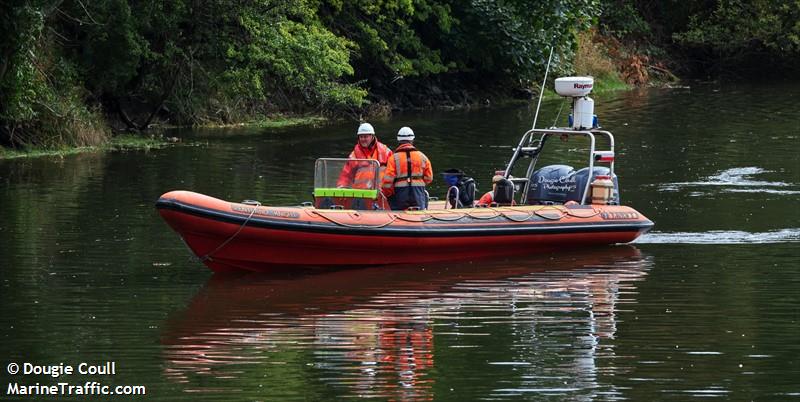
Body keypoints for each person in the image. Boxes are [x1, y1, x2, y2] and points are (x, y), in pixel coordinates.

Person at [335, 122, 393, 209]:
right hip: (360, 197)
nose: (363, 139)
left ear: (372, 136)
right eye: (361, 137)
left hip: (381, 196)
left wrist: (389, 190)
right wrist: (341, 188)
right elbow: (346, 175)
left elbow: (393, 171)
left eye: (366, 136)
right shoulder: (354, 155)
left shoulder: (385, 151)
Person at [381, 127, 433, 210]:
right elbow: (429, 178)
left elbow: (387, 182)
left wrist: (389, 194)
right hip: (418, 192)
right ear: (412, 140)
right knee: (420, 212)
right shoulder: (423, 157)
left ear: (399, 140)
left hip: (400, 193)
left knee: (398, 213)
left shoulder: (393, 158)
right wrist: (418, 182)